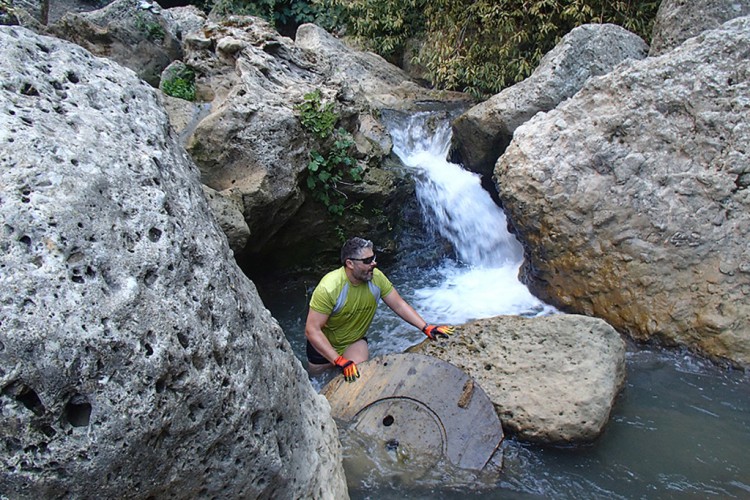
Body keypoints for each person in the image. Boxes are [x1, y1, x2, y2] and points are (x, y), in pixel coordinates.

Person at [305, 237, 454, 382]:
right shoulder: (330, 288)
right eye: (367, 260)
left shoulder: (376, 278)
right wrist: (337, 359)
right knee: (320, 384)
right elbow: (312, 330)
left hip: (353, 342)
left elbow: (399, 305)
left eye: (374, 257)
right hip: (323, 347)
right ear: (350, 263)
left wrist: (426, 327)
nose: (374, 263)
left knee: (357, 378)